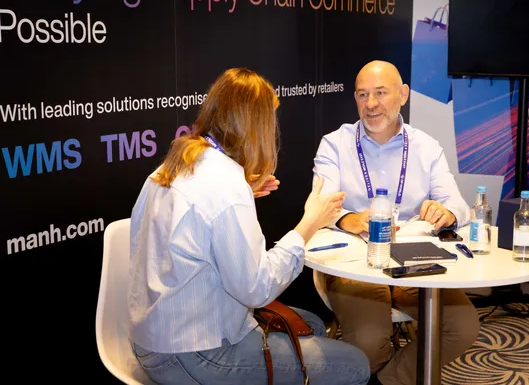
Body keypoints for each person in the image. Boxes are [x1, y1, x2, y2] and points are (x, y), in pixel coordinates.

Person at [128, 68, 370, 385]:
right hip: (196, 354)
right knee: (355, 365)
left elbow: (199, 221)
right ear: (257, 127)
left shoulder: (176, 164)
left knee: (309, 323)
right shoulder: (227, 186)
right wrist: (309, 224)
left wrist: (244, 191)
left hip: (151, 342)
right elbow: (257, 289)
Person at [312, 60, 480, 385]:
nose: (371, 104)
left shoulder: (426, 147)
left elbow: (458, 205)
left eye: (380, 93)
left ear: (403, 95)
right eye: (363, 95)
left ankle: (386, 381)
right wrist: (350, 219)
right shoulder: (335, 145)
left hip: (413, 263)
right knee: (368, 344)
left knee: (462, 326)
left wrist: (446, 213)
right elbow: (321, 206)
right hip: (355, 265)